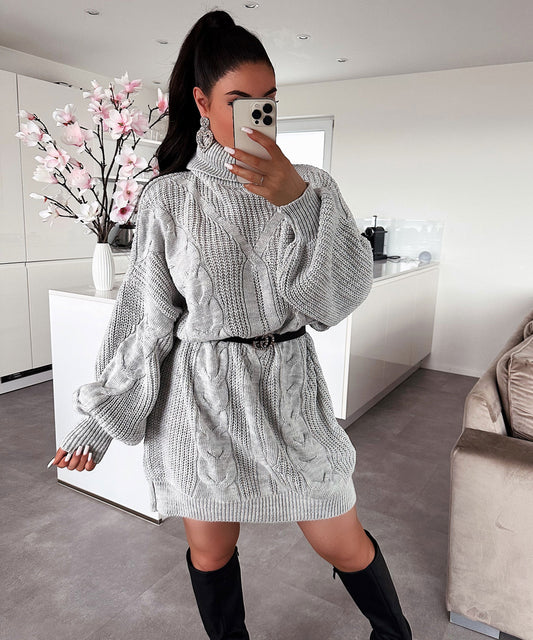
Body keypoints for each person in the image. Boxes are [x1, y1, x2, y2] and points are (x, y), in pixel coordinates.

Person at [50, 9, 413, 640]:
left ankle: (394, 633)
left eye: (269, 100)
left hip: (289, 392)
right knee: (211, 550)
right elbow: (147, 318)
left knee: (341, 537)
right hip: (203, 401)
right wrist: (104, 417)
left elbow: (339, 295)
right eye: (240, 101)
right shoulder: (169, 197)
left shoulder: (312, 186)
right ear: (202, 103)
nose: (259, 114)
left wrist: (297, 201)